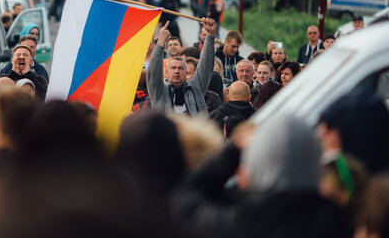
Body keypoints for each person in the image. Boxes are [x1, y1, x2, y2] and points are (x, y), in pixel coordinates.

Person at [170, 114, 352, 238]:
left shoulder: (237, 221)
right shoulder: (341, 222)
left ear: (254, 162)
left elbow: (185, 199)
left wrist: (233, 151)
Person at [146, 18, 216, 115]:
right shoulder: (159, 91)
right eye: (173, 68)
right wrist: (160, 44)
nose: (177, 71)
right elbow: (153, 72)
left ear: (186, 73)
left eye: (181, 68)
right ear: (166, 72)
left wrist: (210, 36)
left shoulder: (195, 88)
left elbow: (206, 66)